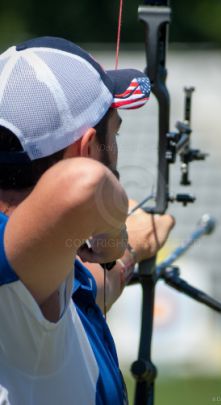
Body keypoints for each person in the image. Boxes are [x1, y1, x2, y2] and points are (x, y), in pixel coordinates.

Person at [0, 37, 175, 404]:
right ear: (87, 147)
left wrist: (128, 252)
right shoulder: (14, 262)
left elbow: (86, 290)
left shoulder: (38, 270)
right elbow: (85, 183)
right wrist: (111, 230)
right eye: (115, 132)